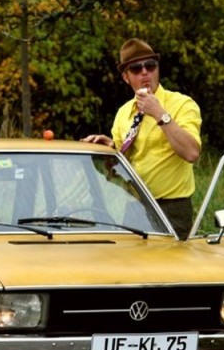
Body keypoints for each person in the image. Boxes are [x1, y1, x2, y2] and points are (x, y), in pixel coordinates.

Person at [82, 39, 202, 239]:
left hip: (171, 208)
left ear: (157, 70)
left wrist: (160, 114)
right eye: (136, 69)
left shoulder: (182, 104)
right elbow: (120, 170)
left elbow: (191, 152)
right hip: (135, 206)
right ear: (126, 77)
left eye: (150, 66)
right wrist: (111, 150)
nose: (145, 72)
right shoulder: (123, 114)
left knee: (169, 269)